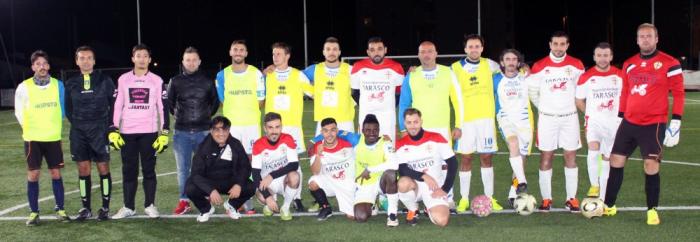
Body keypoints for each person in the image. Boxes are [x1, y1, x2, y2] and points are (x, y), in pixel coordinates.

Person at [603, 23, 685, 225]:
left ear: (657, 39)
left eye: (649, 36)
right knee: (615, 161)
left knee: (651, 165)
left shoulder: (670, 62)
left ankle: (652, 210)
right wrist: (620, 117)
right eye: (642, 36)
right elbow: (625, 91)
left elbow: (679, 93)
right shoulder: (629, 63)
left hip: (653, 124)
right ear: (637, 40)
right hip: (629, 122)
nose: (645, 39)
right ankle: (609, 206)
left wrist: (676, 121)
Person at [399, 41, 464, 212]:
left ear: (436, 53)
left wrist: (458, 125)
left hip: (441, 128)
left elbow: (458, 100)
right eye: (422, 52)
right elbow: (404, 103)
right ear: (418, 55)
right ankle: (414, 198)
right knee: (415, 163)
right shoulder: (412, 75)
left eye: (430, 51)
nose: (426, 55)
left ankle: (448, 198)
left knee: (445, 164)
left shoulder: (447, 72)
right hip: (417, 130)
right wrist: (404, 129)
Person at [110, 44, 170, 219]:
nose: (142, 59)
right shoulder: (123, 79)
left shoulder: (157, 81)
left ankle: (150, 205)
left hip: (149, 132)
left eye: (145, 56)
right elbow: (117, 105)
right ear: (133, 58)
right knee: (129, 171)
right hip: (127, 132)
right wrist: (113, 128)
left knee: (149, 170)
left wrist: (164, 132)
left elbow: (162, 107)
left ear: (149, 60)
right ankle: (128, 206)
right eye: (138, 56)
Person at [527, 31, 585, 212]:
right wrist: (544, 108)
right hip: (547, 119)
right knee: (546, 157)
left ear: (567, 45)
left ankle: (571, 199)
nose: (558, 48)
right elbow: (532, 92)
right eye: (555, 44)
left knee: (570, 157)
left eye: (562, 44)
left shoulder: (576, 65)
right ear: (550, 45)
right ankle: (546, 199)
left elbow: (581, 91)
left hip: (569, 118)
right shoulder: (539, 66)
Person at [15, 50, 70, 226]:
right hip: (33, 138)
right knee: (33, 174)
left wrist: (51, 124)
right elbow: (19, 112)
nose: (42, 67)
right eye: (38, 64)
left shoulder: (58, 85)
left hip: (53, 137)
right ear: (32, 67)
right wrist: (31, 128)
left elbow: (62, 109)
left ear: (48, 66)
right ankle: (33, 212)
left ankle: (60, 209)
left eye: (44, 63)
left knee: (56, 173)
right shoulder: (24, 87)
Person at [452, 34, 503, 212]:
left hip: (486, 120)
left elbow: (509, 70)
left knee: (486, 157)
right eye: (470, 46)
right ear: (465, 49)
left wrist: (523, 68)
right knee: (466, 157)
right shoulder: (455, 68)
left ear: (482, 48)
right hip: (466, 121)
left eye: (477, 46)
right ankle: (464, 198)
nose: (474, 49)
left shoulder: (491, 65)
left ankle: (490, 197)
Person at [65, 46, 116, 221]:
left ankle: (105, 207)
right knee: (83, 169)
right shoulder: (71, 83)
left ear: (94, 61)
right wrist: (79, 123)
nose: (85, 61)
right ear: (77, 61)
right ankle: (85, 208)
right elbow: (68, 109)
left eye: (89, 58)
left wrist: (110, 127)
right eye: (82, 58)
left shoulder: (105, 80)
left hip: (100, 130)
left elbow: (114, 105)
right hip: (78, 131)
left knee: (103, 168)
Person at [169, 46, 219, 215]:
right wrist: (179, 115)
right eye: (187, 60)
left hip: (203, 132)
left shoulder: (207, 81)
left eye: (194, 60)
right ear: (183, 62)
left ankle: (204, 196)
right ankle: (184, 201)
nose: (191, 63)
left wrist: (204, 117)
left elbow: (215, 103)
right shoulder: (175, 81)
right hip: (181, 133)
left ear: (199, 62)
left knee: (204, 168)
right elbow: (170, 103)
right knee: (183, 169)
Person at [265, 42, 312, 211]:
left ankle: (297, 198)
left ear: (287, 56)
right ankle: (273, 197)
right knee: (271, 161)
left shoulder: (298, 75)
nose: (275, 57)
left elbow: (313, 93)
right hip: (272, 128)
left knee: (295, 162)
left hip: (292, 128)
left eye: (279, 54)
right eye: (273, 54)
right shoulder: (267, 75)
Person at [574, 42, 622, 200]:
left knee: (607, 157)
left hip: (614, 124)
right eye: (599, 55)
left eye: (606, 55)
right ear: (594, 57)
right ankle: (594, 185)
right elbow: (579, 100)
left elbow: (625, 98)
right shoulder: (586, 77)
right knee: (593, 151)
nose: (602, 58)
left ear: (611, 57)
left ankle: (603, 195)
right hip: (594, 121)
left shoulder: (620, 76)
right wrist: (590, 114)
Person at [185, 116, 256, 222]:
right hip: (210, 182)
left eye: (224, 130)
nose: (221, 134)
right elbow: (196, 174)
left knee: (251, 186)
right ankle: (206, 209)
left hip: (230, 182)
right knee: (190, 187)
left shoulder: (235, 144)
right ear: (211, 131)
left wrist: (238, 184)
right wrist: (210, 190)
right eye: (217, 130)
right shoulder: (204, 146)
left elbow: (245, 167)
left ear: (229, 130)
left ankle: (232, 205)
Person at [396, 108, 458, 227]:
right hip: (416, 185)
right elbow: (402, 169)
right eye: (409, 123)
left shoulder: (436, 138)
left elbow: (453, 163)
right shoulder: (401, 143)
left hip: (435, 187)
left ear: (421, 121)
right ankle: (413, 209)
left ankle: (428, 207)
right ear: (404, 123)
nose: (413, 126)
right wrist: (424, 176)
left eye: (415, 122)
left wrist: (445, 189)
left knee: (442, 221)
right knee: (402, 183)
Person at [492, 49, 532, 206]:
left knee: (521, 158)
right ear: (502, 62)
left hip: (524, 121)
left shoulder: (525, 77)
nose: (510, 62)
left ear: (518, 62)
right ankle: (522, 181)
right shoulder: (495, 79)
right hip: (505, 118)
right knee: (513, 143)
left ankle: (513, 193)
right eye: (507, 59)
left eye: (514, 59)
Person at [216, 40, 265, 158]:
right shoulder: (221, 75)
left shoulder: (256, 73)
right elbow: (223, 100)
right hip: (231, 125)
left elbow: (261, 101)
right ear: (230, 52)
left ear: (246, 53)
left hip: (251, 124)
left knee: (252, 158)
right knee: (231, 158)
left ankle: (252, 177)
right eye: (235, 50)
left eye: (241, 50)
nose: (238, 52)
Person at [351, 37, 405, 142]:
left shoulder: (396, 67)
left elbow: (399, 92)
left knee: (388, 146)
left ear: (385, 50)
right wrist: (367, 105)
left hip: (388, 116)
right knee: (366, 145)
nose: (376, 53)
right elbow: (355, 92)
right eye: (372, 50)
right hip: (366, 115)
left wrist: (388, 106)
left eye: (379, 49)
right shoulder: (358, 67)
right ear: (368, 52)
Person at [251, 112, 300, 221]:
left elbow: (294, 164)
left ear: (281, 127)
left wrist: (272, 175)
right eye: (270, 127)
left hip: (283, 178)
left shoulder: (288, 139)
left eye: (277, 127)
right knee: (262, 197)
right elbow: (255, 174)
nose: (274, 131)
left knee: (295, 176)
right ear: (265, 128)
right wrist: (268, 197)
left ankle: (285, 208)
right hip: (267, 183)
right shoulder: (258, 144)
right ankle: (270, 203)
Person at [303, 37, 355, 135]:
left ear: (339, 52)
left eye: (335, 49)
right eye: (328, 49)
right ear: (323, 52)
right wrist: (311, 93)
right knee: (321, 149)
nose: (331, 52)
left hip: (345, 121)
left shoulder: (350, 70)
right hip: (324, 120)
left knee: (347, 150)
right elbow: (295, 78)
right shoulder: (315, 69)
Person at [308, 118, 356, 221]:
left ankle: (365, 201)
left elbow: (367, 143)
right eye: (326, 131)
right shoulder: (318, 147)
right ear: (321, 133)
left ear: (337, 131)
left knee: (353, 216)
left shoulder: (349, 144)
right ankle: (326, 207)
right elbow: (315, 172)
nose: (329, 134)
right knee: (313, 182)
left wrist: (382, 139)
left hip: (347, 184)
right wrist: (318, 155)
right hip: (330, 182)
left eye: (333, 130)